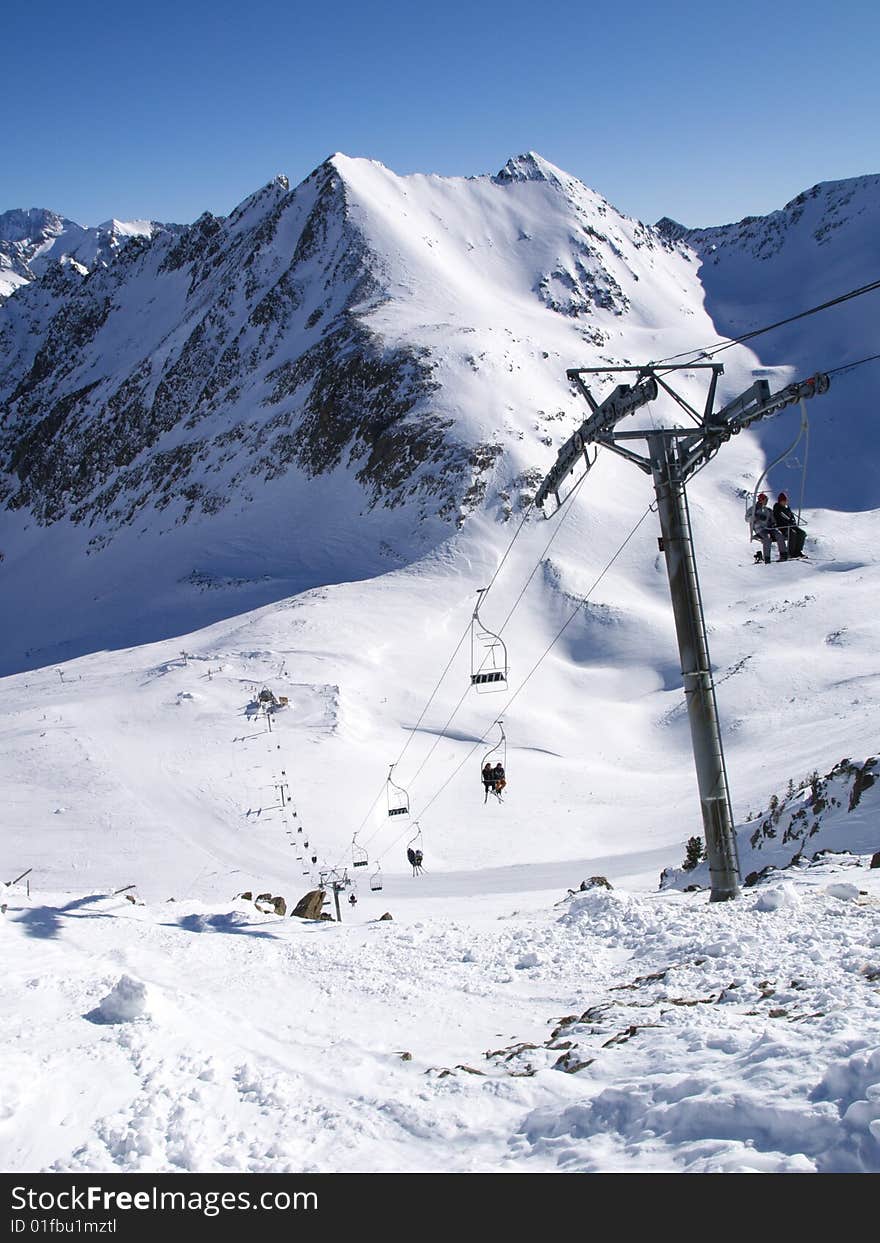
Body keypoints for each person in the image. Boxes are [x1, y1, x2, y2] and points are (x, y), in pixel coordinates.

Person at [746, 492, 787, 563]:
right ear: (760, 500)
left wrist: (773, 523)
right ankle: (767, 558)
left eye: (767, 500)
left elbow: (773, 519)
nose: (766, 502)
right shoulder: (753, 509)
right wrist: (755, 517)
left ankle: (783, 555)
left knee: (779, 535)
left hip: (770, 528)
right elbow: (747, 518)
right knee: (767, 538)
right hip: (760, 529)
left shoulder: (768, 510)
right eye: (765, 500)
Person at [773, 491, 806, 558]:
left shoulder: (787, 508)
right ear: (780, 501)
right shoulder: (777, 508)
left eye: (786, 501)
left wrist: (793, 520)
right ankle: (791, 553)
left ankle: (798, 551)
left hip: (791, 526)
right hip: (783, 527)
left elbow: (791, 516)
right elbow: (783, 516)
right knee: (792, 533)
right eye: (783, 501)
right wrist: (789, 521)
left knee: (802, 533)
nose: (785, 502)